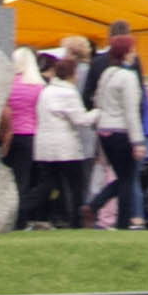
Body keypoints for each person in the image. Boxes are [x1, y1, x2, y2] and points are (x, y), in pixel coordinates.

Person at [83, 30, 147, 228]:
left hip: (105, 131)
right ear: (126, 53)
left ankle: (95, 205)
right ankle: (121, 221)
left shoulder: (106, 74)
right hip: (122, 132)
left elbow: (96, 100)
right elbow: (131, 112)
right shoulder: (128, 77)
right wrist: (138, 141)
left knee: (123, 177)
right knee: (127, 179)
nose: (135, 54)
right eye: (132, 50)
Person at [31, 54, 95, 226]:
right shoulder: (69, 93)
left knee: (47, 185)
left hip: (44, 147)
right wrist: (98, 112)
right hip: (66, 148)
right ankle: (75, 222)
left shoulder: (46, 91)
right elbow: (81, 120)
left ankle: (29, 211)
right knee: (76, 186)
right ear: (72, 74)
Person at [2, 45, 43, 225]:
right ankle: (19, 219)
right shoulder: (37, 86)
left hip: (9, 136)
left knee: (8, 177)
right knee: (23, 178)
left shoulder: (7, 85)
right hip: (29, 135)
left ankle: (6, 215)